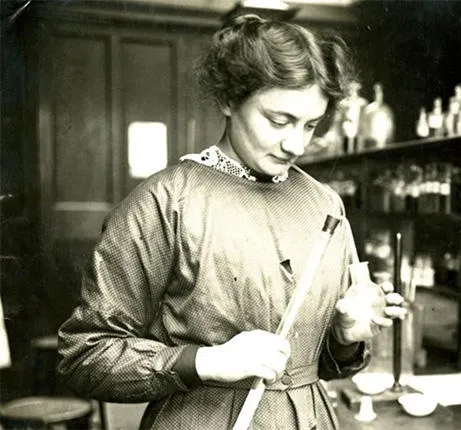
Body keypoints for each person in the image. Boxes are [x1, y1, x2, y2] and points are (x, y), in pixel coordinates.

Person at [57, 15, 404, 429]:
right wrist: (208, 361)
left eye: (310, 125)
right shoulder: (166, 201)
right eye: (279, 121)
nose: (296, 144)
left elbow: (316, 367)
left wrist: (345, 337)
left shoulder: (324, 204)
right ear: (228, 99)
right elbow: (84, 356)